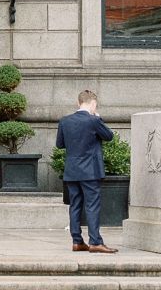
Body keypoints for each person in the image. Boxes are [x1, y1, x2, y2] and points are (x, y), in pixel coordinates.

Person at [55, 89, 117, 253]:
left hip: (72, 170)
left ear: (78, 103)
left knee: (75, 204)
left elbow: (60, 144)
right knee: (92, 205)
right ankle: (95, 241)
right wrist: (98, 118)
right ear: (93, 104)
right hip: (90, 171)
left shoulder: (65, 121)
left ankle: (77, 241)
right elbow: (109, 136)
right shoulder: (93, 120)